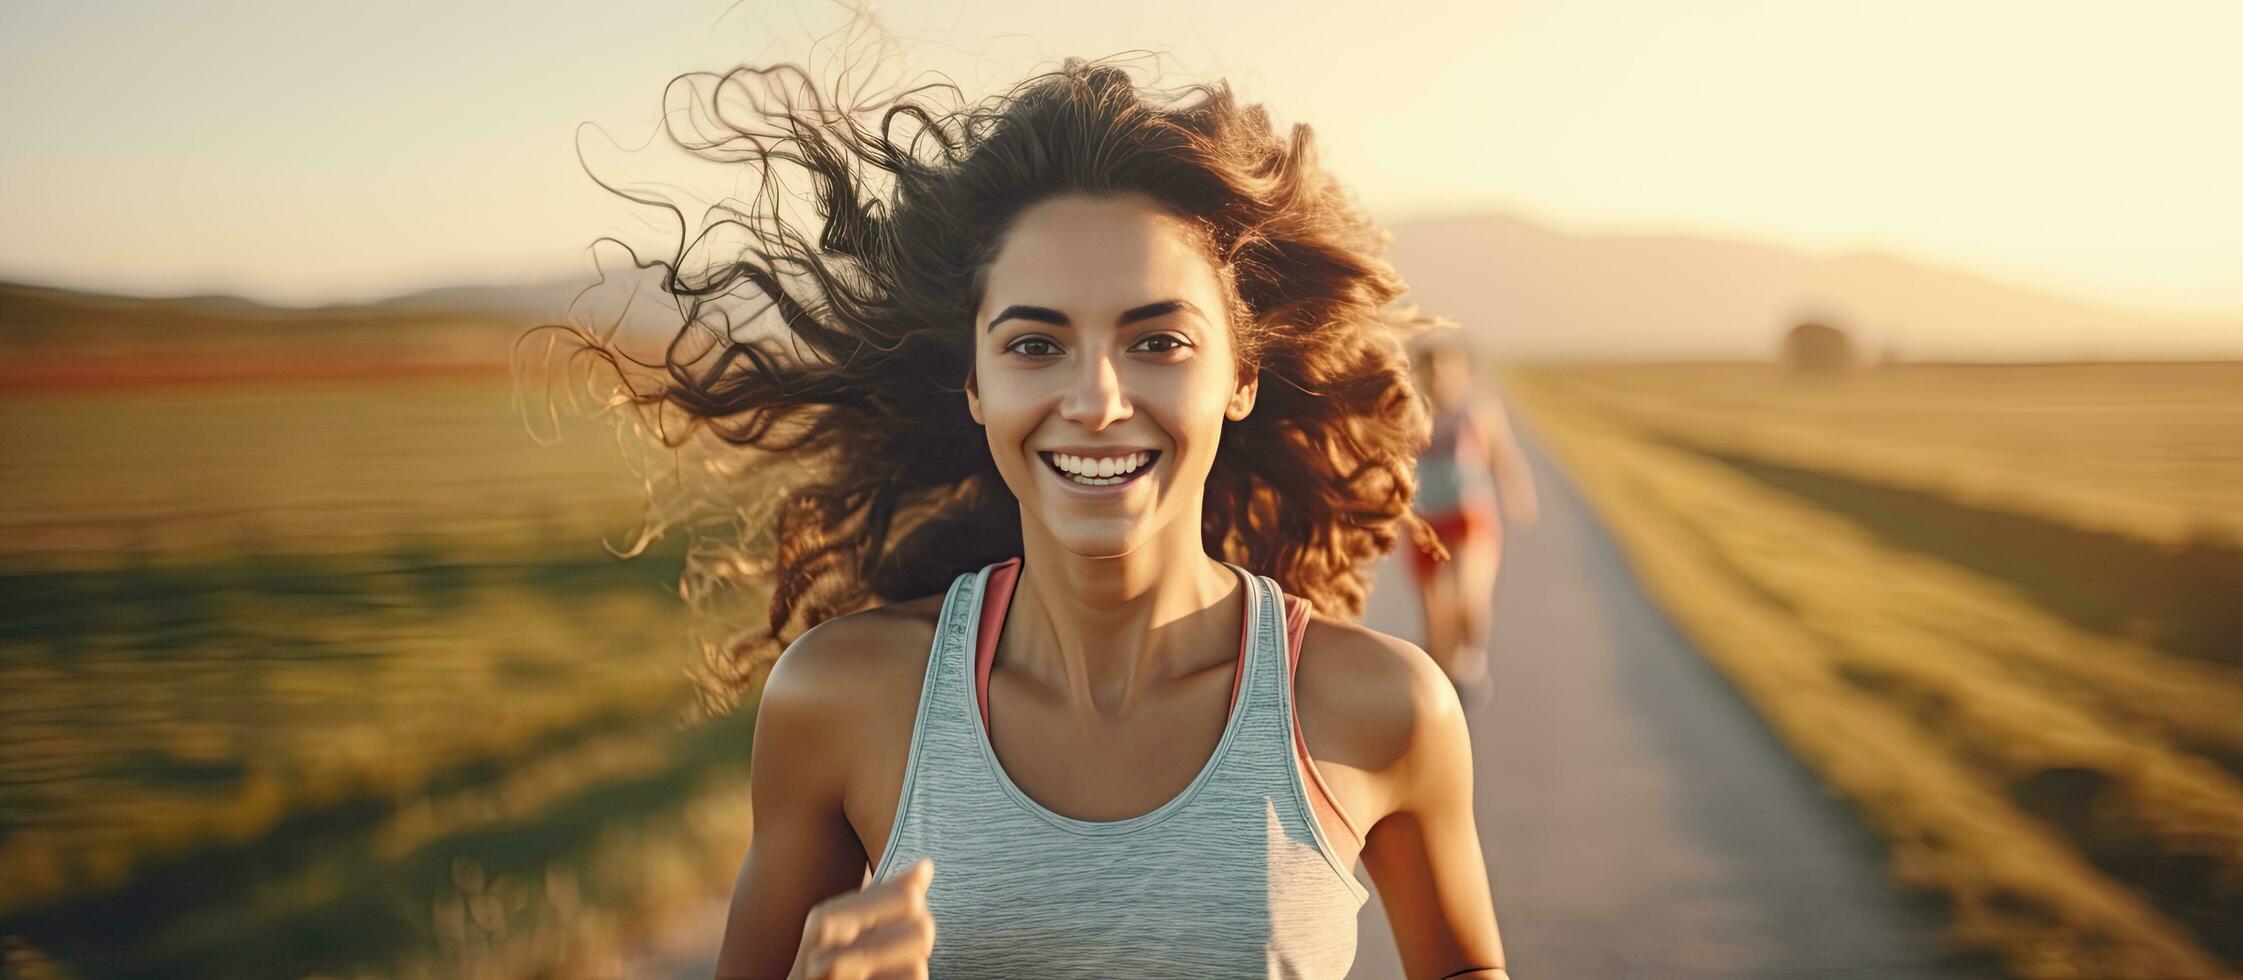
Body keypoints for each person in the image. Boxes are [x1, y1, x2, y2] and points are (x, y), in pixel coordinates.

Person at [556, 39, 1508, 979]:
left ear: (1242, 375)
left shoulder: (1383, 711)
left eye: (1158, 341)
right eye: (1034, 346)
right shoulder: (840, 701)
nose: (1095, 400)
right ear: (973, 382)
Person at [1406, 335, 1539, 709]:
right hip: (1424, 526)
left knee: (1469, 595)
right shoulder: (1411, 415)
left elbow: (1503, 457)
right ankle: (1441, 689)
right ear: (1419, 372)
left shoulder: (1479, 412)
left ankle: (1471, 657)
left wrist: (1518, 494)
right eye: (1430, 367)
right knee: (1435, 622)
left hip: (1471, 520)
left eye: (1447, 365)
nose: (1439, 374)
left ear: (1463, 371)